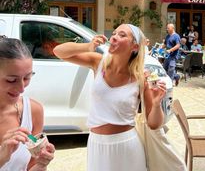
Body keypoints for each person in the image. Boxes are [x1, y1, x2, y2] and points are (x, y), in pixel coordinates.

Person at [53, 24, 167, 171]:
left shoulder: (140, 78)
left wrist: (157, 103)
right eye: (114, 33)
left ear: (135, 47)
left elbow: (154, 124)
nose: (114, 36)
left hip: (126, 145)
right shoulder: (98, 62)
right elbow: (59, 52)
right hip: (96, 144)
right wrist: (88, 46)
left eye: (122, 35)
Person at [0, 38, 55, 170]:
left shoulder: (33, 111)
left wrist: (41, 164)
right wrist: (2, 158)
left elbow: (31, 166)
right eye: (11, 80)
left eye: (27, 78)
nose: (21, 88)